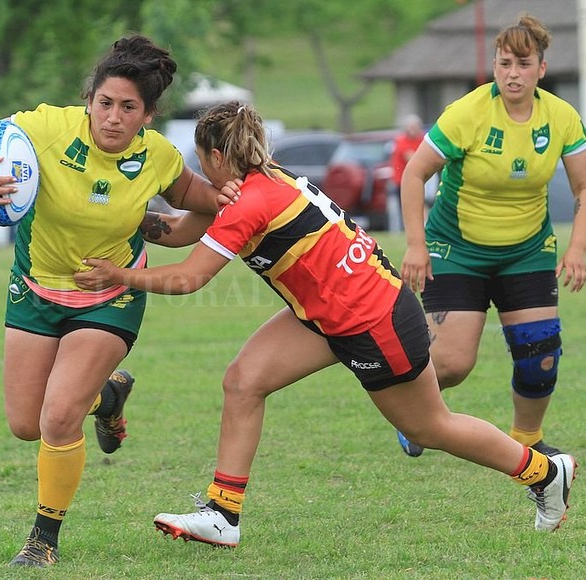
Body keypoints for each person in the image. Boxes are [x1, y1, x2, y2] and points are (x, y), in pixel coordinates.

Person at [74, 101, 577, 548]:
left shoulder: (251, 201)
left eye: (199, 161)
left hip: (372, 319)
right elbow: (181, 230)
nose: (196, 171)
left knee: (430, 426)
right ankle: (223, 513)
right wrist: (120, 210)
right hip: (328, 313)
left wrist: (117, 276)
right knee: (244, 381)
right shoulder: (256, 181)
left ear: (218, 158)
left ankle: (544, 473)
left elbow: (189, 278)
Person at [0, 35, 235, 568]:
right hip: (34, 286)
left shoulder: (158, 158)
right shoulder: (46, 126)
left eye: (129, 108)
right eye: (105, 103)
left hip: (108, 297)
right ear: (89, 99)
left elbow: (210, 207)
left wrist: (161, 232)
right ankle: (109, 397)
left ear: (147, 115)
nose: (114, 118)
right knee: (25, 423)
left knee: (58, 417)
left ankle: (42, 541)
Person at [396, 13, 586, 459]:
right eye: (504, 64)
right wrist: (417, 245)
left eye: (522, 64)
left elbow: (583, 186)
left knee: (540, 356)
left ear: (541, 68)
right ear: (495, 66)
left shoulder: (561, 117)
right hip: (456, 250)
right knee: (453, 364)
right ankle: (414, 418)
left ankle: (527, 442)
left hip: (527, 250)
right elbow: (414, 173)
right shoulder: (468, 112)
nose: (512, 74)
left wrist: (578, 247)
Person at [387, 114, 425, 232]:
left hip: (422, 178)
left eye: (415, 127)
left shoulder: (422, 139)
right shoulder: (401, 141)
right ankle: (406, 229)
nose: (413, 130)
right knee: (405, 206)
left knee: (423, 204)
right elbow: (411, 158)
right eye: (411, 127)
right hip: (402, 180)